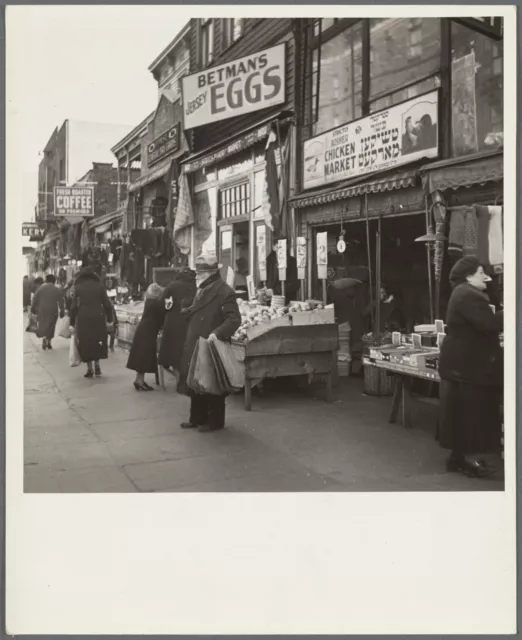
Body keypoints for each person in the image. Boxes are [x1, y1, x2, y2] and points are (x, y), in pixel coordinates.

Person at [438, 257, 503, 477]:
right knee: (472, 415)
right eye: (480, 273)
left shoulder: (463, 292)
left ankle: (458, 459)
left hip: (460, 364)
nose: (487, 277)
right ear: (468, 276)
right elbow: (489, 323)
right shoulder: (469, 295)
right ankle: (471, 462)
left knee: (460, 414)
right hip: (468, 366)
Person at [177, 252, 241, 433]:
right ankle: (197, 417)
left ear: (211, 273)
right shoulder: (201, 288)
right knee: (197, 381)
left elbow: (234, 319)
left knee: (213, 383)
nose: (197, 276)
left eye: (201, 272)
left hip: (212, 343)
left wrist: (218, 333)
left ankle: (215, 421)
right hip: (197, 341)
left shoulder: (224, 291)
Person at [70, 267, 113, 378]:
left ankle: (89, 369)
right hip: (98, 316)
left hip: (84, 316)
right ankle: (97, 366)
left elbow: (74, 307)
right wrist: (110, 319)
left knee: (86, 341)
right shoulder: (100, 287)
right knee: (97, 339)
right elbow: (107, 304)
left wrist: (72, 322)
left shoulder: (77, 288)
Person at [126, 283, 165, 391]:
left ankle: (139, 380)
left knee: (142, 355)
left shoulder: (150, 301)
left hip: (144, 330)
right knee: (144, 356)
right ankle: (139, 381)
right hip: (148, 331)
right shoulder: (157, 303)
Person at [158, 268, 196, 374]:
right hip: (191, 324)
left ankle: (179, 380)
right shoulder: (197, 286)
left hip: (172, 324)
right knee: (188, 353)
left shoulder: (172, 286)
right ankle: (188, 380)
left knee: (174, 354)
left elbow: (163, 305)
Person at [30, 274, 65, 350]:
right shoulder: (56, 289)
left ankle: (45, 338)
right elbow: (61, 301)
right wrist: (62, 310)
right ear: (54, 280)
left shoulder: (40, 289)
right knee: (51, 325)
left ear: (46, 280)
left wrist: (33, 308)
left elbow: (35, 298)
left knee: (43, 324)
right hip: (53, 310)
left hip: (42, 310)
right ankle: (48, 340)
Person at [266, 236, 299, 303]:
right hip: (270, 300)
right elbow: (266, 279)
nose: (280, 251)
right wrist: (263, 287)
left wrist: (275, 291)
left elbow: (295, 284)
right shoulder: (269, 261)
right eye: (278, 247)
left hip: (286, 300)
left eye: (283, 248)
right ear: (273, 247)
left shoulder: (292, 261)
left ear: (287, 247)